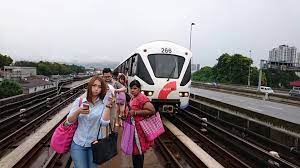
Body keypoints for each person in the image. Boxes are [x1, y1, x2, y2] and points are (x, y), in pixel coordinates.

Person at [67, 76, 113, 168]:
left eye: (99, 87)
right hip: (78, 143)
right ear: (89, 86)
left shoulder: (103, 103)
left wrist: (108, 106)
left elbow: (104, 123)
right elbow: (69, 121)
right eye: (94, 85)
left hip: (95, 145)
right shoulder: (80, 101)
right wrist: (78, 111)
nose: (96, 89)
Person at [127, 80, 156, 168]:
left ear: (139, 89)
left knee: (138, 151)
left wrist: (135, 113)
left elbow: (152, 110)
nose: (132, 90)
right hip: (134, 129)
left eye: (135, 88)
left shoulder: (142, 98)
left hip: (139, 130)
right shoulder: (134, 97)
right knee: (135, 151)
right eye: (131, 88)